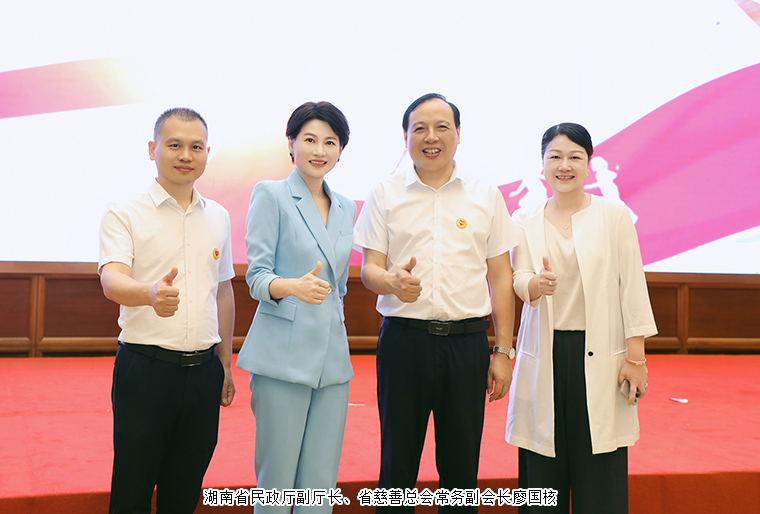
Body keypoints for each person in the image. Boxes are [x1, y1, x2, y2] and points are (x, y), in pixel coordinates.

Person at [353, 93, 519, 512]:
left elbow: (501, 276)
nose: (431, 137)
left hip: (466, 345)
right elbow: (369, 270)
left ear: (458, 134)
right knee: (397, 464)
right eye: (420, 128)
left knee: (461, 469)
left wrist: (502, 351)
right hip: (404, 342)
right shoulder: (385, 193)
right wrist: (390, 282)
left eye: (442, 127)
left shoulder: (485, 195)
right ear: (405, 136)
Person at [506, 123, 657, 513]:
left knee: (600, 473)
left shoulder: (613, 215)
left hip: (600, 352)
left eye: (575, 157)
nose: (564, 165)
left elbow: (632, 287)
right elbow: (519, 279)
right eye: (555, 156)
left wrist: (636, 359)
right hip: (546, 353)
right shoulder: (524, 218)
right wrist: (536, 284)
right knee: (541, 473)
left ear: (588, 163)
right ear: (542, 164)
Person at [99, 107, 236, 513]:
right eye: (174, 145)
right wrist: (148, 293)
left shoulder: (219, 216)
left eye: (196, 147)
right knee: (133, 489)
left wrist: (225, 363)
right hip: (145, 370)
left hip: (204, 372)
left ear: (207, 152)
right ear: (152, 149)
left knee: (185, 491)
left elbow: (223, 291)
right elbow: (111, 280)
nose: (186, 155)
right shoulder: (124, 212)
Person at [236, 101, 355, 513]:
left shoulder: (346, 206)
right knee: (278, 484)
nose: (319, 150)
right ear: (291, 143)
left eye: (330, 142)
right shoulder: (271, 194)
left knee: (320, 485)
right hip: (282, 359)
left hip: (332, 362)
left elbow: (338, 287)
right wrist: (292, 287)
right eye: (309, 139)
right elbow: (256, 277)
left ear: (341, 149)